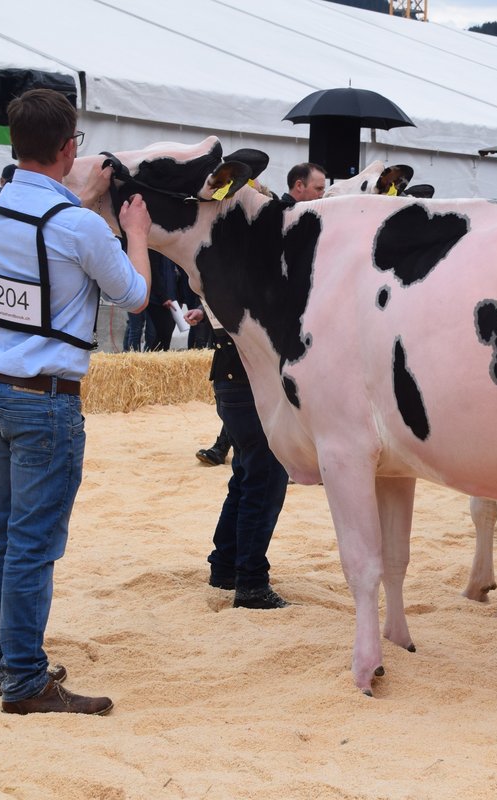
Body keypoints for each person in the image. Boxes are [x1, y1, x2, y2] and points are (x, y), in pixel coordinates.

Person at [0, 88, 151, 715]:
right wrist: (134, 233)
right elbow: (134, 296)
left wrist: (79, 199)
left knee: (3, 534)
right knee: (33, 545)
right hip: (44, 400)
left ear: (13, 142)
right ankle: (25, 680)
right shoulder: (80, 226)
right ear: (69, 148)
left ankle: (2, 661)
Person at [190, 161, 327, 607]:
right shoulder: (242, 266)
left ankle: (224, 566)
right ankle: (250, 581)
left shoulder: (222, 260)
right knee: (265, 475)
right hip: (247, 375)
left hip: (232, 376)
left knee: (248, 473)